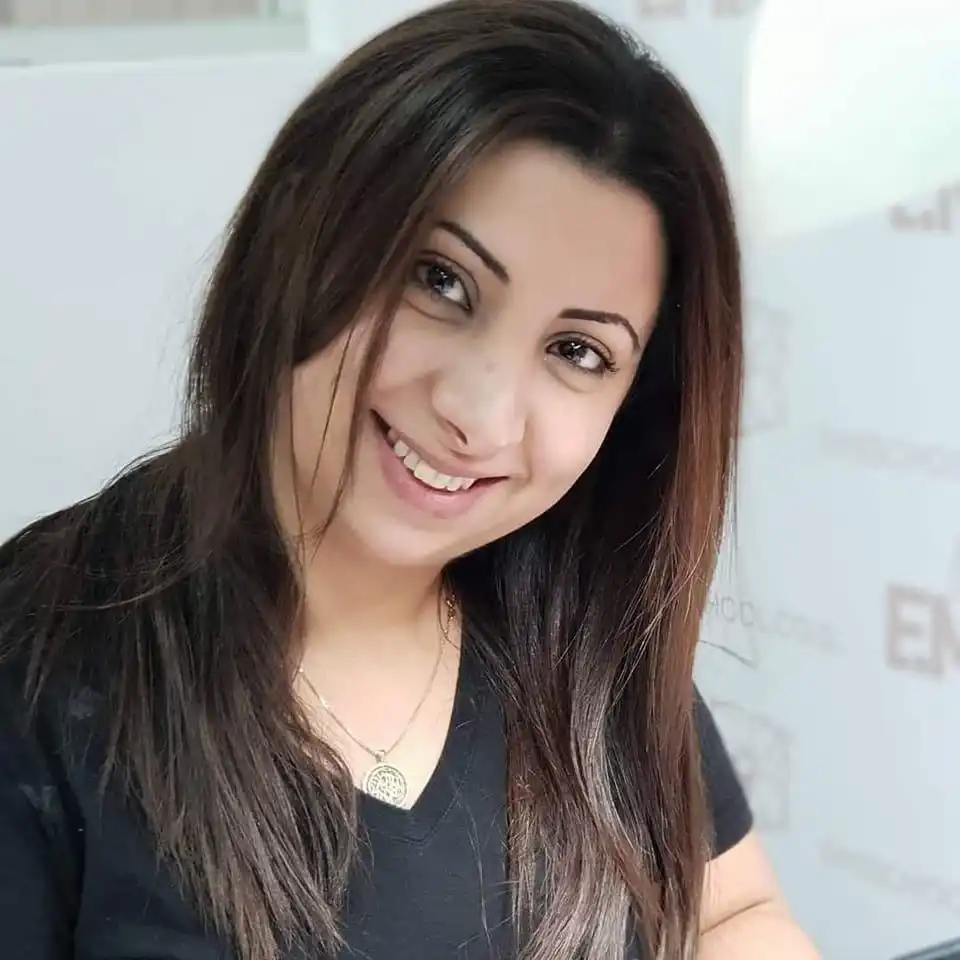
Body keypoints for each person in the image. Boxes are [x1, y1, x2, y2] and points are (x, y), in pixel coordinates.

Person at [0, 1, 821, 958]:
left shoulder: (582, 633)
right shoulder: (41, 665)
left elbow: (734, 912)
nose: (479, 413)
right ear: (302, 230)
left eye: (577, 351)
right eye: (441, 282)